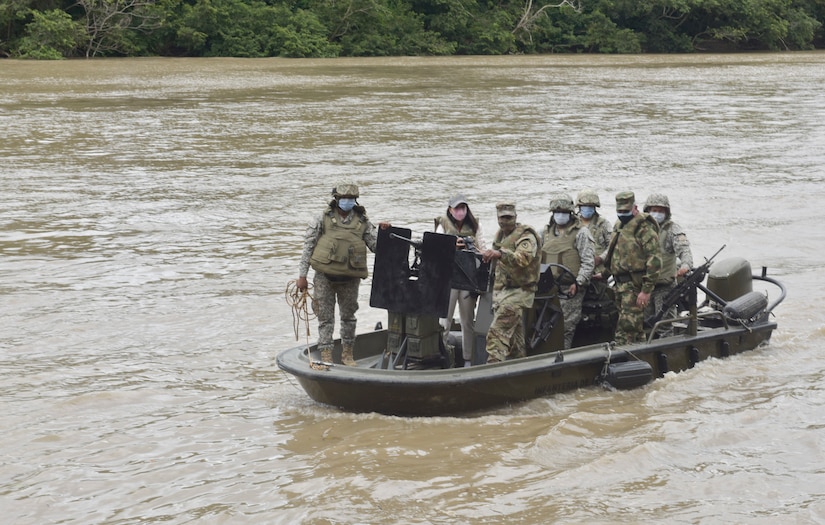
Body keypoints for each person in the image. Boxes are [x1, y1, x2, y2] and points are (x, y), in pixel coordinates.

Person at [296, 181, 388, 367]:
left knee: (348, 318)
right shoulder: (322, 219)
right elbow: (309, 246)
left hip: (350, 279)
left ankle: (347, 355)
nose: (347, 202)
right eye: (343, 198)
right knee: (325, 318)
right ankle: (327, 354)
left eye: (350, 199)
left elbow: (376, 247)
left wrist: (385, 233)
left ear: (355, 200)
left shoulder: (362, 222)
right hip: (324, 277)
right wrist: (302, 276)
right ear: (336, 199)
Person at [481, 202, 541, 363]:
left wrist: (500, 254)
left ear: (515, 217)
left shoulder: (525, 236)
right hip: (503, 293)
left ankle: (492, 371)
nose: (505, 221)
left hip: (519, 292)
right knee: (515, 342)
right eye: (502, 218)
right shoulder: (500, 235)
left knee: (497, 334)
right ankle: (520, 370)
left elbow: (523, 259)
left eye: (509, 217)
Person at [435, 194, 487, 367]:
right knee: (444, 321)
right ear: (450, 210)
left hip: (468, 279)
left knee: (467, 321)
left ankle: (467, 359)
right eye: (457, 208)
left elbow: (483, 250)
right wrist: (452, 245)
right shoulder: (442, 225)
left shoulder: (475, 225)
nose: (460, 212)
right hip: (448, 280)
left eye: (463, 208)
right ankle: (441, 356)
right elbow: (436, 249)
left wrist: (471, 247)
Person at [604, 191, 662, 345]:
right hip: (619, 284)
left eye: (626, 211)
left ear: (635, 208)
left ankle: (622, 357)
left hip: (634, 286)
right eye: (620, 211)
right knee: (634, 326)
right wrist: (604, 273)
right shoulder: (619, 226)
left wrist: (646, 290)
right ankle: (641, 353)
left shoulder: (644, 228)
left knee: (626, 327)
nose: (622, 214)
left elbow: (654, 260)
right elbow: (613, 254)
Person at [540, 193, 595, 349]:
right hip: (548, 288)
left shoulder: (581, 233)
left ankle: (563, 359)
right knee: (542, 325)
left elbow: (588, 262)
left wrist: (578, 283)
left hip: (570, 288)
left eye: (564, 212)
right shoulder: (544, 233)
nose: (560, 215)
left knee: (565, 327)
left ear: (570, 213)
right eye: (557, 212)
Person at [643, 193, 694, 336]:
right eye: (654, 210)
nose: (657, 214)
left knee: (664, 325)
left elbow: (684, 250)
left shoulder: (672, 229)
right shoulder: (641, 228)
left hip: (664, 287)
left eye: (661, 211)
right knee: (643, 325)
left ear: (666, 213)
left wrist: (685, 265)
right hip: (644, 287)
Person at [576, 189, 612, 281]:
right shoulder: (574, 225)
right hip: (578, 269)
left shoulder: (603, 224)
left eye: (590, 206)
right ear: (579, 207)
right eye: (585, 206)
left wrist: (601, 258)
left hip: (599, 270)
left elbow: (612, 246)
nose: (587, 208)